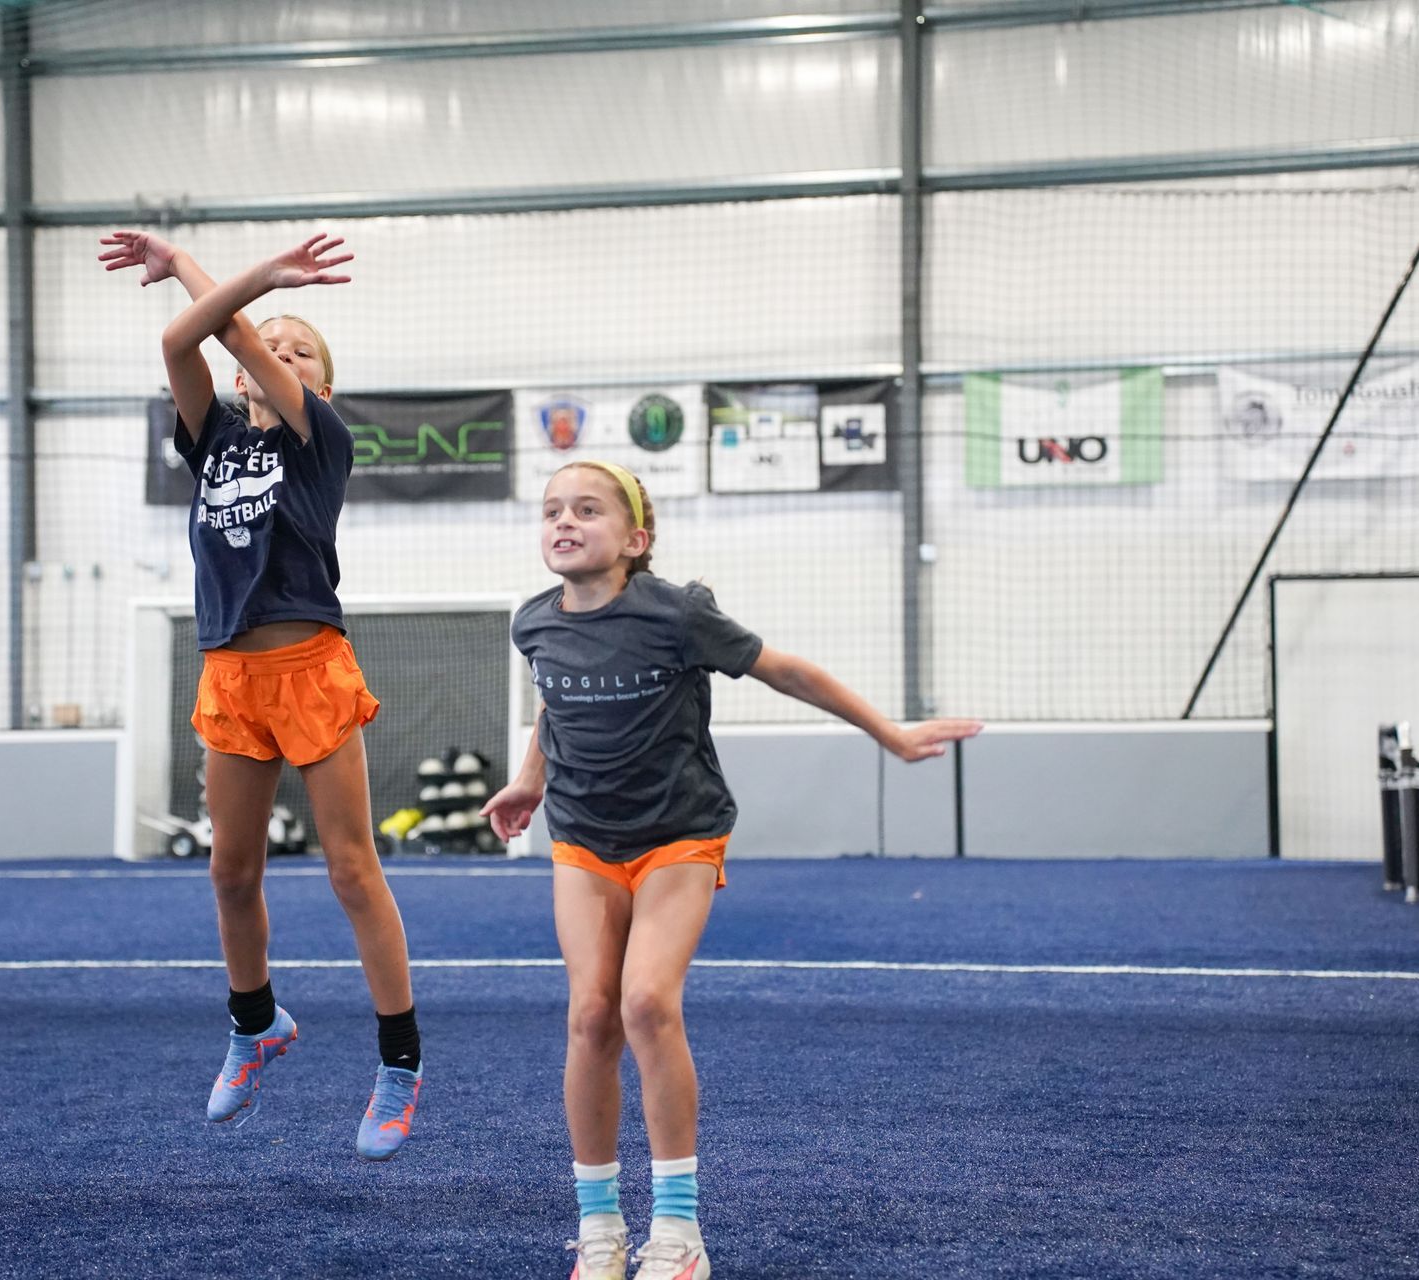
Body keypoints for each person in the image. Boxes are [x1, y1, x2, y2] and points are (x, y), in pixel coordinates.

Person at [481, 462, 981, 1279]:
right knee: (590, 1018)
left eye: (587, 510)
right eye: (550, 511)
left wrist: (887, 732)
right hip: (582, 839)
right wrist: (530, 779)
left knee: (645, 1001)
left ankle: (678, 1235)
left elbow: (786, 669)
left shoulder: (677, 615)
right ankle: (600, 1228)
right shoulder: (533, 622)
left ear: (635, 540)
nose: (563, 522)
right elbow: (554, 701)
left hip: (679, 834)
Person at [100, 229, 422, 1159]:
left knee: (352, 869)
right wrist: (187, 272)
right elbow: (180, 345)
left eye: (300, 351)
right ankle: (255, 1025)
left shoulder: (322, 441)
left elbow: (232, 334)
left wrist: (245, 283)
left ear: (319, 384)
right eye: (268, 344)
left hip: (311, 668)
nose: (278, 353)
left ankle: (399, 1062)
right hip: (231, 673)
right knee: (230, 873)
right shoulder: (213, 442)